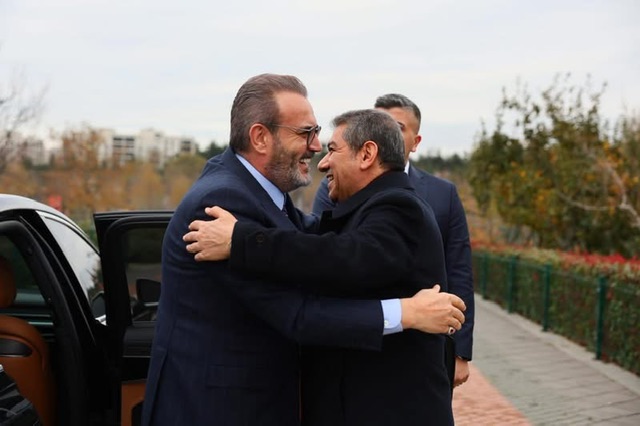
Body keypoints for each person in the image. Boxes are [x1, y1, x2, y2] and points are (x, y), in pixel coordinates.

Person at [142, 74, 465, 426]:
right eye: (306, 133)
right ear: (260, 137)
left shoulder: (259, 195)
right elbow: (299, 314)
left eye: (323, 140)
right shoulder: (223, 203)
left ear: (368, 154)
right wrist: (406, 312)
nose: (316, 150)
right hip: (220, 409)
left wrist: (242, 240)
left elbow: (335, 250)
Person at [313, 93, 475, 388]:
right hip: (365, 341)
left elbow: (459, 268)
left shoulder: (443, 192)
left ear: (416, 140)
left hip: (424, 348)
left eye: (398, 126)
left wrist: (460, 350)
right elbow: (326, 248)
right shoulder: (334, 185)